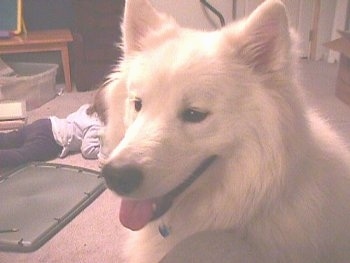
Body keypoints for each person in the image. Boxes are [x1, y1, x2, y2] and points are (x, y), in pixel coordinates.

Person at [0, 89, 106, 169]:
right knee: (22, 155)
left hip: (46, 123)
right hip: (51, 140)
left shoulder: (87, 108)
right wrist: (104, 150)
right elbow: (87, 150)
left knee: (11, 138)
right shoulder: (97, 127)